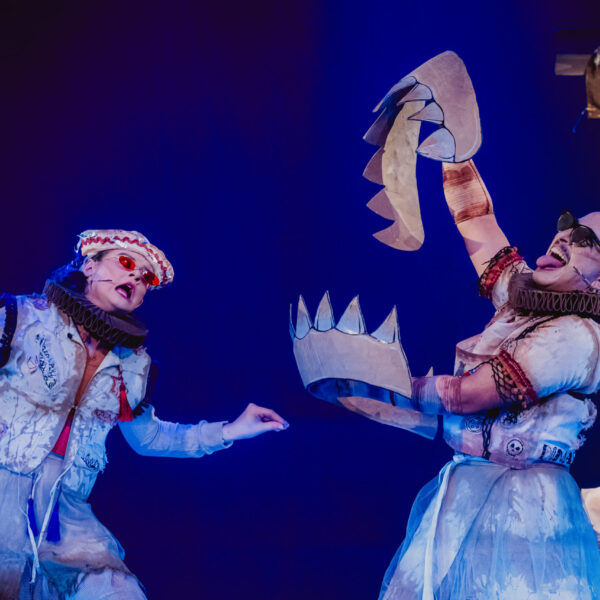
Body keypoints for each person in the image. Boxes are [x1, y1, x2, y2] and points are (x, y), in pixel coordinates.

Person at [0, 229, 288, 600]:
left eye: (146, 278)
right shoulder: (20, 318)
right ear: (89, 266)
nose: (136, 276)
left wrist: (230, 430)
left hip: (66, 514)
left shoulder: (135, 366)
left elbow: (148, 438)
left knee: (116, 590)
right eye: (125, 263)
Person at [376, 161, 600, 598]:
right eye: (566, 226)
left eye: (585, 239)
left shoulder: (580, 338)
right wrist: (455, 151)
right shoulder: (525, 302)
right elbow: (477, 219)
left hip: (524, 510)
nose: (563, 237)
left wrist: (380, 382)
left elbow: (466, 396)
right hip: (464, 492)